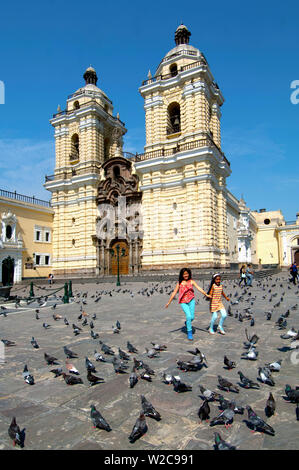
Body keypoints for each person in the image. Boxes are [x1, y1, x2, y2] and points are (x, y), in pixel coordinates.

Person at [165, 268, 211, 341]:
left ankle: (187, 322)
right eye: (184, 274)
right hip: (183, 302)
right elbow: (174, 292)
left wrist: (206, 294)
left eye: (187, 273)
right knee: (188, 316)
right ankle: (189, 332)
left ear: (189, 274)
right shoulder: (179, 283)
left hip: (191, 301)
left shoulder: (191, 281)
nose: (186, 275)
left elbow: (198, 288)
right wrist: (169, 302)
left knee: (192, 317)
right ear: (182, 275)